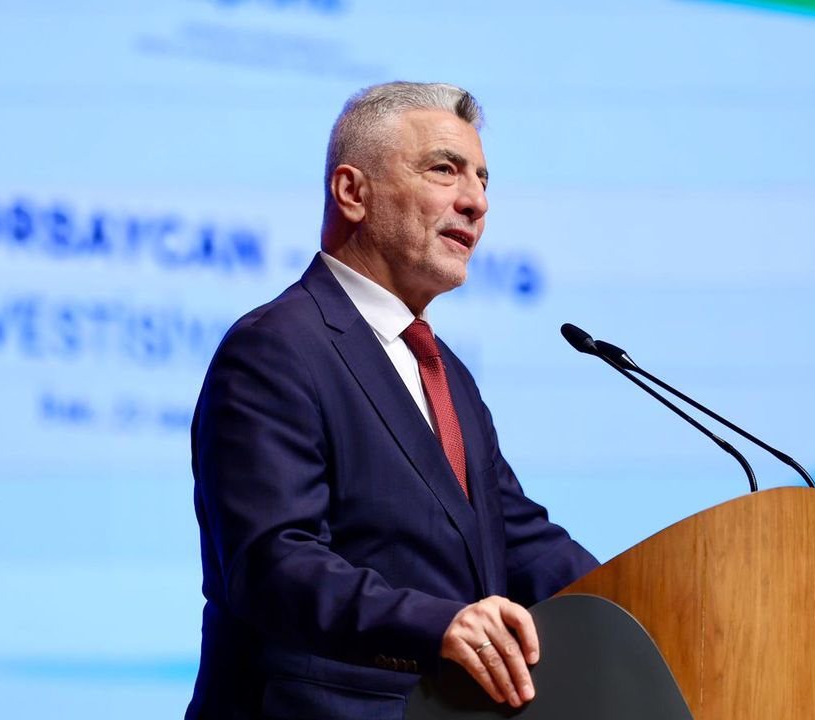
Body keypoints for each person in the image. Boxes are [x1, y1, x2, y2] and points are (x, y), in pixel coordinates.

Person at [185, 81, 598, 720]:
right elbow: (272, 563)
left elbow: (519, 543)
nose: (477, 201)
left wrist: (653, 605)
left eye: (483, 179)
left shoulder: (446, 372)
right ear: (353, 192)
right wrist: (437, 626)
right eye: (445, 170)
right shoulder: (275, 348)